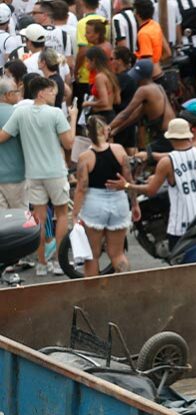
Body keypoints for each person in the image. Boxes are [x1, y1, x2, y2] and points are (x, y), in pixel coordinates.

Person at [0, 76, 77, 276]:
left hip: (33, 174)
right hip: (55, 172)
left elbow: (2, 137)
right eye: (51, 90)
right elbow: (69, 143)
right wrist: (74, 117)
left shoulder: (21, 113)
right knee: (61, 216)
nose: (55, 93)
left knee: (39, 218)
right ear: (41, 92)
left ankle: (42, 263)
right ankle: (59, 262)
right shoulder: (55, 113)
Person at [106, 118, 196, 249]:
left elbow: (151, 190)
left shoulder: (167, 162)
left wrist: (126, 185)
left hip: (181, 228)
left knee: (182, 266)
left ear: (170, 139)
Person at [71, 116, 138, 277]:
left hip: (94, 204)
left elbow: (82, 188)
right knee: (117, 254)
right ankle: (127, 289)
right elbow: (129, 179)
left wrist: (74, 214)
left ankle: (93, 298)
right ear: (104, 131)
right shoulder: (119, 150)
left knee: (92, 256)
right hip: (119, 201)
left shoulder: (85, 157)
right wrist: (135, 204)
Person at [109, 59, 175, 153]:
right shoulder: (158, 87)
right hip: (170, 133)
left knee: (142, 160)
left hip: (163, 136)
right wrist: (116, 130)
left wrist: (108, 127)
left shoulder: (144, 90)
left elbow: (126, 113)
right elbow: (135, 115)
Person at [75, 0, 106, 103]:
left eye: (88, 33)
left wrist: (76, 70)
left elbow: (82, 51)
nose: (86, 35)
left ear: (83, 3)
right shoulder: (105, 21)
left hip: (86, 75)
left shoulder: (82, 23)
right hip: (104, 74)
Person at [0, 78, 24, 210]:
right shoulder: (17, 114)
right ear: (8, 95)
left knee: (2, 223)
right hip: (16, 175)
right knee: (21, 220)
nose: (19, 94)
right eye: (16, 91)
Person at [84, 46, 121, 123]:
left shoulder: (99, 77)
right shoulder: (110, 75)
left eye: (87, 61)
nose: (86, 64)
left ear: (93, 61)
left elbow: (104, 102)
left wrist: (88, 103)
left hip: (102, 116)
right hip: (111, 114)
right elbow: (117, 100)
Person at [134, 0, 169, 80]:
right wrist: (156, 62)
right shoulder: (155, 25)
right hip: (160, 73)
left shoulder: (143, 34)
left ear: (137, 14)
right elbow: (168, 53)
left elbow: (147, 64)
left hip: (151, 79)